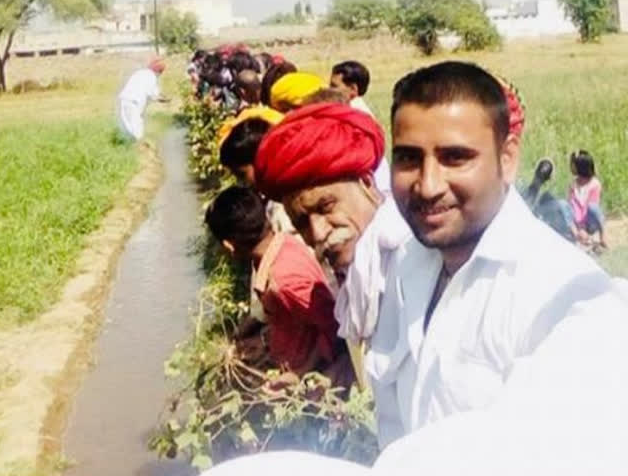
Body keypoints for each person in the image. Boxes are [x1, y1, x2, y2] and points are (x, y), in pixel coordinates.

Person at [204, 62, 628, 476]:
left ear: (507, 158)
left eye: (455, 158)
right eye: (408, 159)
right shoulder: (408, 266)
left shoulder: (570, 300)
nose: (428, 185)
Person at [254, 102, 411, 387]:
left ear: (366, 183)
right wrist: (331, 377)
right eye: (301, 222)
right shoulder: (357, 266)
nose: (318, 232)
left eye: (326, 206)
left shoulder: (411, 261)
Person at [205, 186, 342, 378]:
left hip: (305, 377)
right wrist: (264, 342)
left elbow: (333, 327)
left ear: (229, 246)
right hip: (285, 359)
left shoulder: (283, 282)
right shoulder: (279, 245)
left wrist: (298, 375)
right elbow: (293, 320)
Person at [330, 60, 392, 196]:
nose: (329, 90)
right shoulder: (354, 112)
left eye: (334, 86)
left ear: (353, 89)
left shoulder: (355, 117)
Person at [117, 58, 167, 141]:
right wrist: (164, 99)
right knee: (137, 130)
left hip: (124, 100)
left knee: (129, 127)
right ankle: (141, 147)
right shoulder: (152, 77)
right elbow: (154, 95)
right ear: (158, 71)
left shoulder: (139, 73)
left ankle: (133, 145)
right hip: (134, 103)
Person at [567, 149, 607, 248]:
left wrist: (583, 227)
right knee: (563, 205)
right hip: (576, 222)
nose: (571, 167)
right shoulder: (573, 184)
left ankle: (602, 235)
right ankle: (577, 235)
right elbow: (571, 205)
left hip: (589, 221)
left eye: (573, 164)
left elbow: (589, 206)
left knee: (593, 207)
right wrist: (579, 227)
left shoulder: (594, 184)